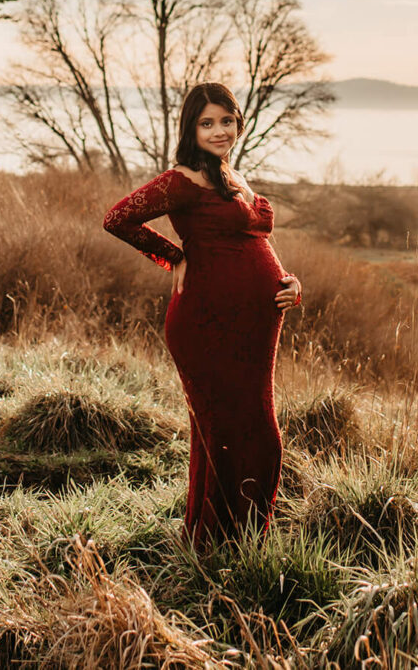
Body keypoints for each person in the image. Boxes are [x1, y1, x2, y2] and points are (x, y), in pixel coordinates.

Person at [102, 82, 303, 549]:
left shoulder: (232, 177)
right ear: (191, 128)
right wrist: (174, 256)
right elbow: (118, 219)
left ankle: (235, 543)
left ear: (238, 123)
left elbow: (253, 242)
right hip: (206, 322)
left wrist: (289, 282)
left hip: (254, 328)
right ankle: (219, 544)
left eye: (226, 121)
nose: (219, 131)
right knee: (233, 434)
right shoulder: (182, 180)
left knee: (251, 432)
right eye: (207, 123)